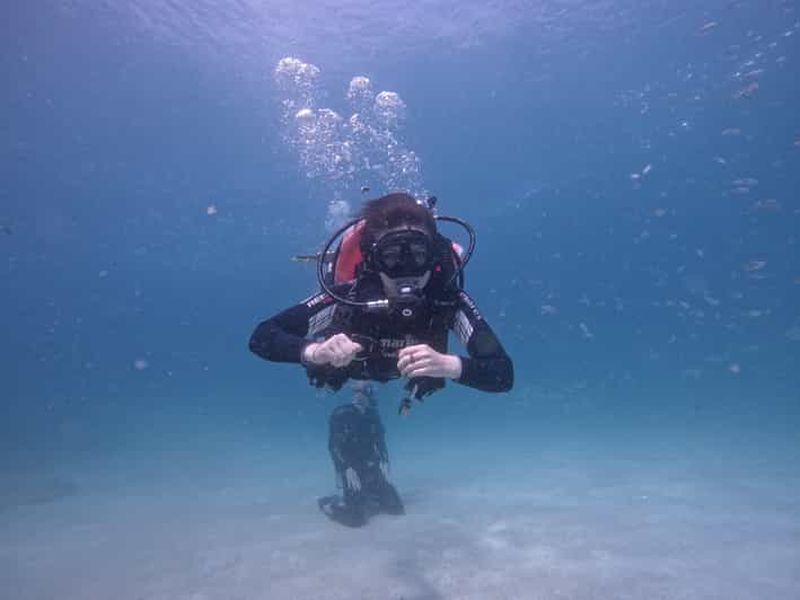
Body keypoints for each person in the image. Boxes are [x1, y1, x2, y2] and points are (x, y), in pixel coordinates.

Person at [249, 192, 513, 527]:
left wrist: (450, 365)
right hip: (354, 369)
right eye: (392, 255)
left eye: (417, 254)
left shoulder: (448, 301)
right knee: (349, 411)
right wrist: (314, 351)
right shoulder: (350, 296)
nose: (407, 271)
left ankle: (372, 463)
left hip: (401, 374)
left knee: (363, 412)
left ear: (433, 256)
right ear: (373, 259)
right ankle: (362, 454)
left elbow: (503, 374)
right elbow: (262, 336)